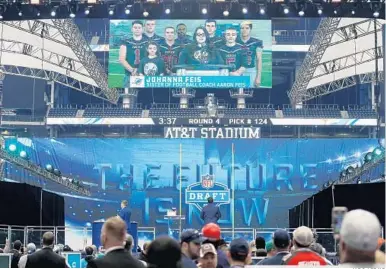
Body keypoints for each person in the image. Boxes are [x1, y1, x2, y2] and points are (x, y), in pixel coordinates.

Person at [119, 21, 148, 87]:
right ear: (132, 29)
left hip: (145, 74)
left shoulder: (148, 42)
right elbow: (121, 59)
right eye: (135, 27)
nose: (137, 29)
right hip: (129, 75)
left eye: (139, 27)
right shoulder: (125, 42)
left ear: (142, 29)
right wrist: (132, 70)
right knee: (128, 96)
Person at [237, 21, 263, 88]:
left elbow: (259, 59)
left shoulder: (257, 42)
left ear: (250, 29)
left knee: (250, 92)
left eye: (247, 28)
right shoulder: (235, 41)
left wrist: (258, 77)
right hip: (236, 71)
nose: (244, 30)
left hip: (250, 71)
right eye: (242, 28)